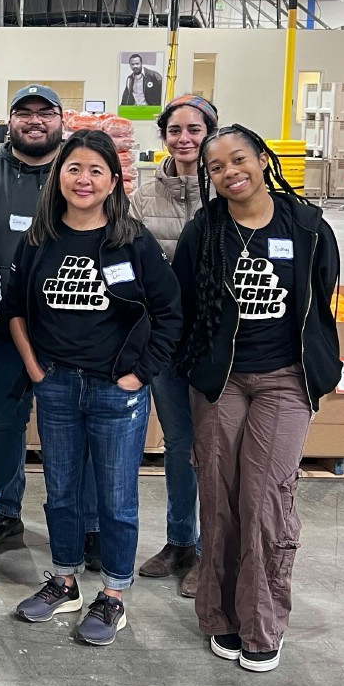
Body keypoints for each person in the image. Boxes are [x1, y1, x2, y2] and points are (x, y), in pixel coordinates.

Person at [173, 125, 341, 673]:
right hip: (222, 382)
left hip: (284, 380)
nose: (229, 172)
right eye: (216, 167)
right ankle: (221, 616)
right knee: (220, 500)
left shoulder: (309, 227)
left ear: (264, 159)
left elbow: (322, 301)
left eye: (238, 159)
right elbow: (186, 302)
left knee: (265, 498)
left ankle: (262, 624)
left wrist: (319, 368)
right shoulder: (205, 231)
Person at [5, 129, 181, 648]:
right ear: (58, 177)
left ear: (112, 182)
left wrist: (138, 374)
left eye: (95, 171)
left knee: (117, 499)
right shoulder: (40, 239)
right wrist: (36, 371)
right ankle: (64, 580)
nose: (83, 180)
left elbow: (169, 313)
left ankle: (114, 595)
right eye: (74, 169)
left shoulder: (132, 241)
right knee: (59, 492)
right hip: (56, 385)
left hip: (116, 393)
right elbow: (14, 308)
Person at [0, 84, 100, 564]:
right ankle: (3, 509)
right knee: (3, 422)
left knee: (80, 427)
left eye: (45, 113)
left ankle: (89, 523)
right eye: (24, 113)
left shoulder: (78, 180)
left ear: (61, 120)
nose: (35, 121)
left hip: (70, 330)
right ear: (9, 121)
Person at [130, 94, 219, 598]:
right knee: (180, 444)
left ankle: (212, 549)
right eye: (175, 131)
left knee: (216, 446)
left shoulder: (229, 187)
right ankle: (180, 540)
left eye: (195, 129)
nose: (185, 139)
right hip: (166, 342)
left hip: (219, 346)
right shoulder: (146, 198)